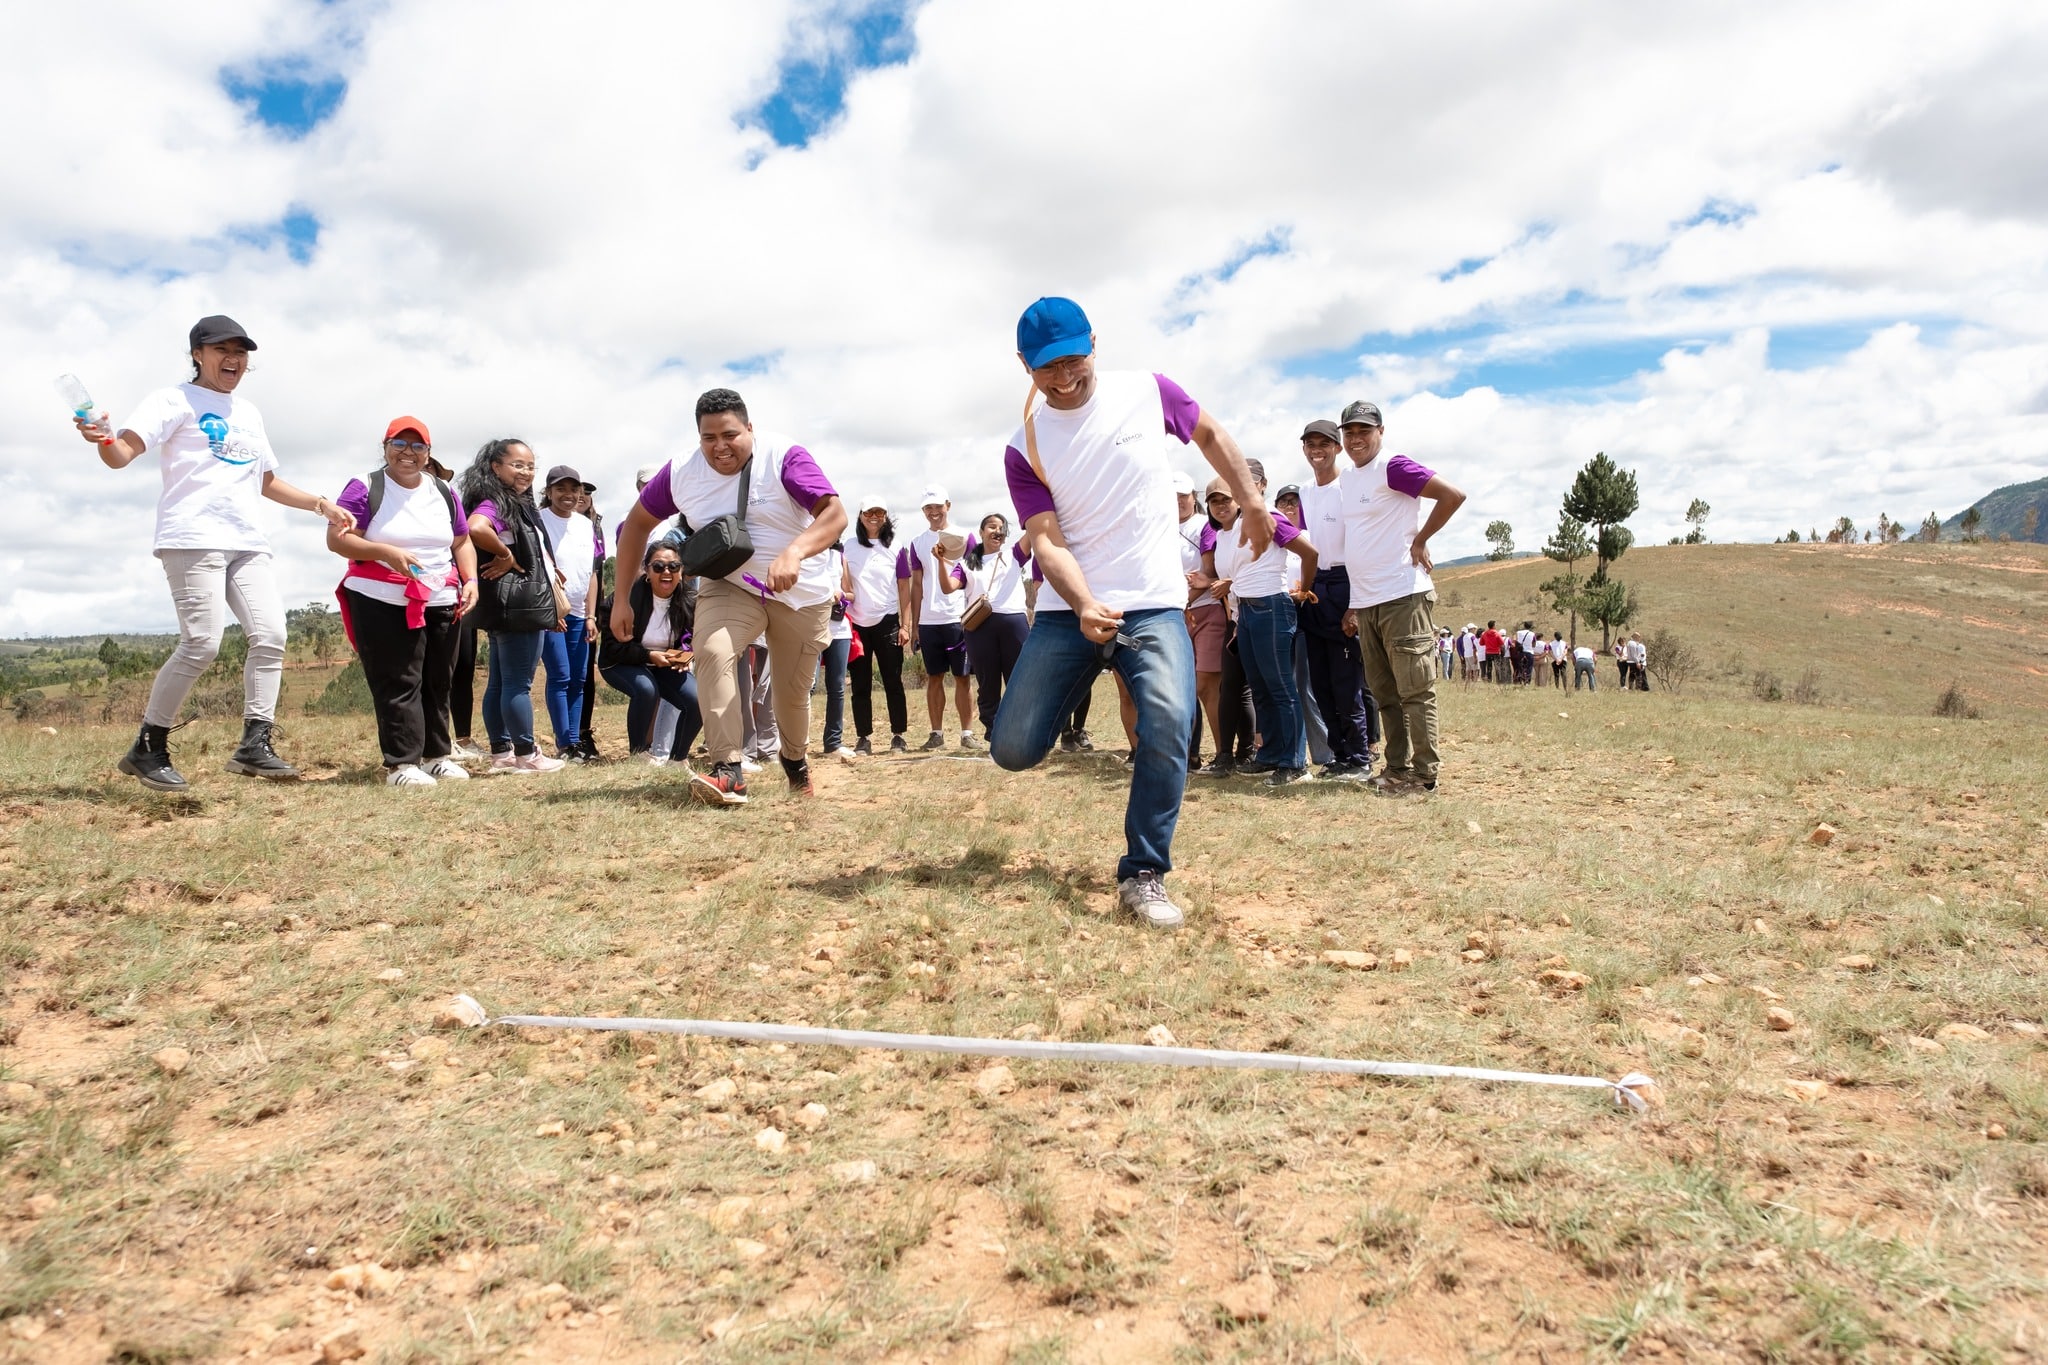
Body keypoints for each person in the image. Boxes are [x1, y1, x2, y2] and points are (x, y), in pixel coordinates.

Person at [990, 296, 1269, 928]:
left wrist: (1252, 501)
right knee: (1012, 749)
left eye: (1072, 360)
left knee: (1169, 720)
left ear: (1093, 342)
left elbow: (1210, 434)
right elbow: (1045, 539)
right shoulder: (1023, 445)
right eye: (1046, 367)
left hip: (1153, 606)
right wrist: (1084, 603)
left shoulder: (1148, 391)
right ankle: (1067, 690)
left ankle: (1144, 872)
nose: (1063, 378)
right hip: (1069, 612)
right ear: (1024, 365)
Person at [75, 314, 354, 790]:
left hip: (247, 540)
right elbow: (121, 455)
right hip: (192, 536)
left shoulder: (248, 413)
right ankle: (148, 746)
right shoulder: (171, 400)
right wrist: (101, 436)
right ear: (197, 355)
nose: (233, 359)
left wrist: (319, 503)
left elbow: (265, 480)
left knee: (271, 635)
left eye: (240, 352)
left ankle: (254, 744)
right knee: (202, 642)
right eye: (222, 349)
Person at [613, 387, 847, 805]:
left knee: (790, 697)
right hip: (731, 583)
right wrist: (621, 600)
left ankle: (794, 761)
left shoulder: (784, 456)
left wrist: (794, 552)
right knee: (712, 651)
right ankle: (729, 770)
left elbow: (834, 514)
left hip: (799, 591)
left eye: (730, 435)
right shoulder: (682, 472)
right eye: (709, 438)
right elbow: (636, 525)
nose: (720, 447)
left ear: (750, 428)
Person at [328, 416, 478, 786]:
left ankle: (436, 756)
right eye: (399, 444)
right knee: (398, 680)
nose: (407, 452)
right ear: (385, 448)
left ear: (428, 453)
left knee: (438, 680)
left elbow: (461, 541)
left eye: (417, 446)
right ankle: (401, 764)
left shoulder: (443, 491)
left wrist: (471, 580)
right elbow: (338, 539)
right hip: (381, 596)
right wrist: (385, 551)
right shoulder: (365, 487)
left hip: (441, 596)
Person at [1334, 399, 1466, 794]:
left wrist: (1420, 540)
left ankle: (1424, 776)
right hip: (1369, 602)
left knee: (1415, 691)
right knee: (1384, 693)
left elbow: (1452, 495)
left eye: (1364, 430)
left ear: (1380, 431)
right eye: (1349, 432)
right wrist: (1355, 604)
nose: (1356, 438)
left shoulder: (1393, 466)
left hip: (1403, 596)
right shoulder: (1348, 478)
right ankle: (1395, 768)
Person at [1204, 465, 1319, 785]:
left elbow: (1309, 553)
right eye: (1215, 500)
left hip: (1271, 606)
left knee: (1280, 687)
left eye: (1228, 496)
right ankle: (1270, 754)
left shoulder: (1268, 516)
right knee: (1261, 689)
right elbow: (1237, 576)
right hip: (1247, 612)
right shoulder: (1230, 532)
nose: (1223, 504)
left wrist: (1305, 590)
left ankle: (1295, 763)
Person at [459, 438, 565, 774]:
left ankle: (502, 753)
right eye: (517, 465)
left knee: (500, 683)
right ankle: (527, 754)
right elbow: (476, 527)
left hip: (505, 606)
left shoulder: (509, 501)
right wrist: (505, 554)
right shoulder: (498, 502)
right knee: (518, 684)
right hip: (520, 606)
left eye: (531, 466)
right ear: (496, 467)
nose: (526, 472)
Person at [1294, 420, 1377, 778]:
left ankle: (1359, 757)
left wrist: (1355, 603)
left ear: (1337, 448)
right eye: (1310, 444)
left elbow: (1360, 542)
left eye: (1324, 443)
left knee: (1346, 682)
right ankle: (1338, 755)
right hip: (1315, 585)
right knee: (1321, 682)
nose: (1317, 450)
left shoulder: (1348, 486)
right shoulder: (1305, 491)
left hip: (1345, 581)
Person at [598, 543, 702, 763]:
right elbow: (611, 647)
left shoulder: (690, 600)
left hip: (663, 665)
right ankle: (639, 754)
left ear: (681, 571)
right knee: (646, 689)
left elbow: (693, 637)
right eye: (659, 566)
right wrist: (648, 656)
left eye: (674, 566)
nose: (667, 572)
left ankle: (678, 760)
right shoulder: (624, 600)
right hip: (620, 662)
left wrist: (685, 655)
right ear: (647, 570)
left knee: (698, 700)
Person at [901, 489, 976, 750]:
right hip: (929, 621)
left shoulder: (965, 537)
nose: (933, 512)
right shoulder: (917, 543)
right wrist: (915, 625)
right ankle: (936, 734)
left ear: (948, 505)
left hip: (958, 618)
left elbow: (975, 575)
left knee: (963, 677)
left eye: (937, 506)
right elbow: (917, 584)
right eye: (928, 508)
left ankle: (967, 734)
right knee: (934, 677)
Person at [539, 465, 603, 759]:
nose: (568, 494)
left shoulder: (585, 525)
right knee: (561, 676)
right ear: (549, 492)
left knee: (579, 678)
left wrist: (591, 616)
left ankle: (575, 742)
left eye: (573, 489)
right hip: (552, 612)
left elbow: (591, 573)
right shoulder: (539, 520)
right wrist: (551, 612)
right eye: (560, 489)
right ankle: (564, 743)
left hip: (580, 614)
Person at [956, 513, 1032, 742]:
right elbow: (948, 585)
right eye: (991, 526)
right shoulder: (967, 562)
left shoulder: (1014, 554)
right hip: (980, 626)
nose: (997, 531)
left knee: (1019, 679)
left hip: (1014, 623)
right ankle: (994, 731)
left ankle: (1019, 730)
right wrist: (941, 561)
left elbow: (1033, 530)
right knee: (987, 682)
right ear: (981, 532)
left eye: (1002, 528)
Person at [844, 496, 909, 754]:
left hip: (888, 621)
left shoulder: (897, 547)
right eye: (869, 512)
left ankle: (898, 735)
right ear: (860, 516)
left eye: (879, 512)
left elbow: (904, 586)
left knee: (893, 681)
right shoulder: (848, 547)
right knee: (860, 684)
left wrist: (906, 626)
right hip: (857, 625)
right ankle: (863, 737)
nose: (874, 517)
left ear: (886, 517)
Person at [573, 487, 606, 759]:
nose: (582, 496)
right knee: (563, 676)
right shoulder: (547, 522)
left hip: (590, 613)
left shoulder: (595, 527)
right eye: (577, 491)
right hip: (561, 610)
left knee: (586, 675)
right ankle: (568, 736)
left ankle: (583, 733)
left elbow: (598, 572)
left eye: (587, 492)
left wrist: (594, 613)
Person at [817, 544, 854, 760]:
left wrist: (841, 594)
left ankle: (833, 743)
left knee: (837, 687)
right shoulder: (807, 553)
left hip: (839, 629)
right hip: (812, 627)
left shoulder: (840, 557)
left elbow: (852, 594)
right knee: (808, 687)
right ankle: (796, 743)